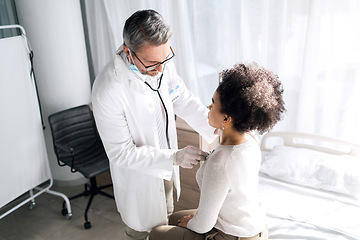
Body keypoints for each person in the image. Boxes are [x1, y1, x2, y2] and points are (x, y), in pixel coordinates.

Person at [91, 9, 217, 240]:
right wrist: (174, 157)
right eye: (151, 63)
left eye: (165, 59)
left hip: (166, 170)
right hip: (140, 180)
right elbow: (121, 153)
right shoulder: (108, 90)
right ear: (128, 52)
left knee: (165, 226)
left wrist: (217, 129)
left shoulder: (161, 62)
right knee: (143, 233)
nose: (160, 69)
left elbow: (181, 97)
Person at [149, 62, 286, 240]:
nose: (208, 108)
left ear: (227, 118)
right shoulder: (250, 139)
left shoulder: (220, 163)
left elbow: (203, 225)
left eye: (213, 104)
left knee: (156, 233)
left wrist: (193, 221)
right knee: (175, 218)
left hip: (234, 236)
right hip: (254, 226)